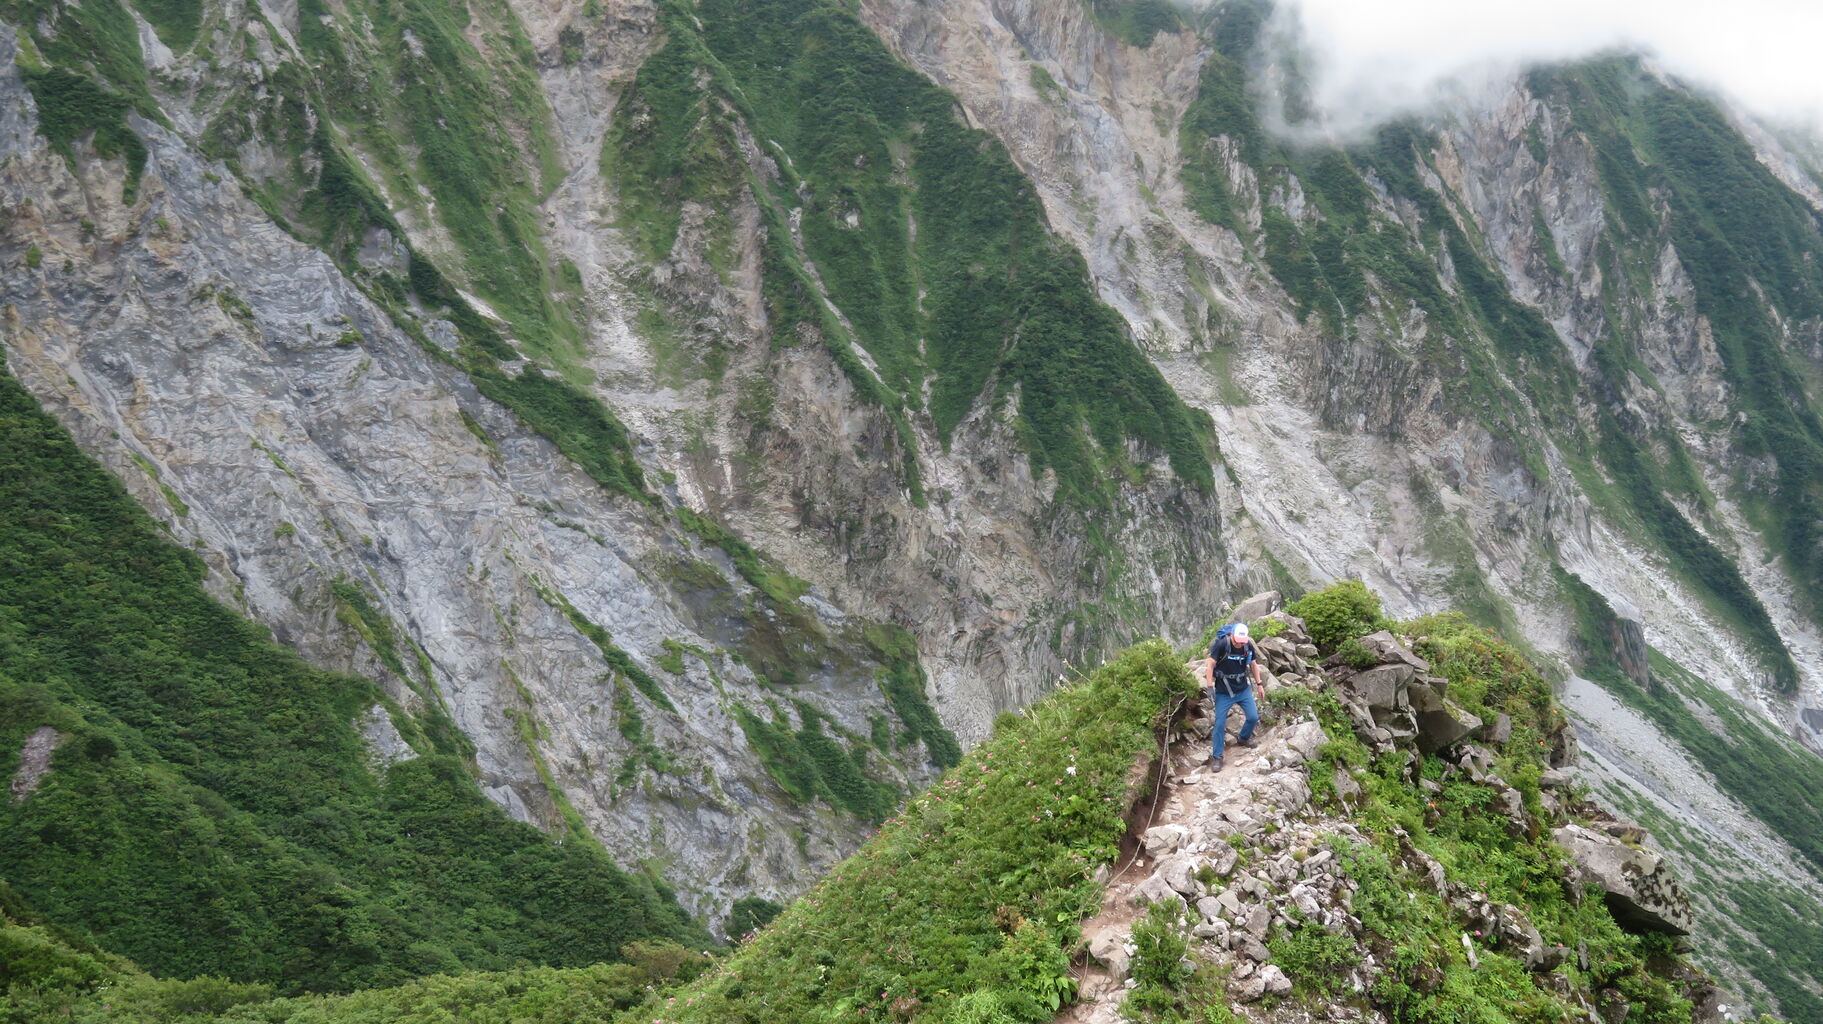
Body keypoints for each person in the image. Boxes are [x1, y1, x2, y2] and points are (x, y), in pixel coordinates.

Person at [1204, 622, 1261, 772]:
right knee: (1219, 723)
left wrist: (1260, 684)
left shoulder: (1247, 646)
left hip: (1242, 688)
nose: (1238, 644)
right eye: (1236, 641)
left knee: (1253, 717)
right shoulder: (1222, 644)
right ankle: (1217, 757)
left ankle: (1243, 738)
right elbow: (1210, 664)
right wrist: (1210, 686)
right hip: (1224, 691)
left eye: (1241, 642)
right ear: (1231, 635)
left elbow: (1253, 665)